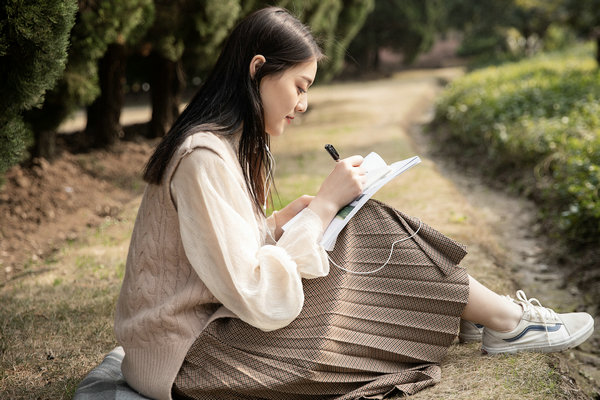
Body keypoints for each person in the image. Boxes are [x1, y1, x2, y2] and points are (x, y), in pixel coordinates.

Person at [114, 7, 594, 400]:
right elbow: (258, 296)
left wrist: (284, 220)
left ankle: (490, 317)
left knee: (353, 223)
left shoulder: (225, 147)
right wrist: (323, 207)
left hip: (209, 338)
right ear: (258, 68)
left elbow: (221, 255)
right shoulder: (204, 156)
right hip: (193, 359)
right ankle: (502, 320)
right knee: (355, 231)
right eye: (299, 87)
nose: (301, 104)